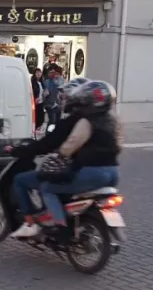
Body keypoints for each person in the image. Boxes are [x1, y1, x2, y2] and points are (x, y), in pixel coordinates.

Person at [8, 79, 121, 240]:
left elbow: (70, 145)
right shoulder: (112, 121)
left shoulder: (85, 121)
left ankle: (58, 225)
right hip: (113, 172)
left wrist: (60, 153)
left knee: (47, 186)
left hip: (92, 173)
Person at [30, 68, 46, 133]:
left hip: (41, 102)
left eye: (40, 73)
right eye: (37, 73)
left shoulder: (41, 82)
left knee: (41, 117)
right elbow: (32, 92)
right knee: (36, 117)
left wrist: (45, 93)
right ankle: (35, 130)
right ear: (34, 74)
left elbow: (43, 90)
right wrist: (35, 98)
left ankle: (37, 129)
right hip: (35, 102)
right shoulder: (33, 82)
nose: (39, 74)